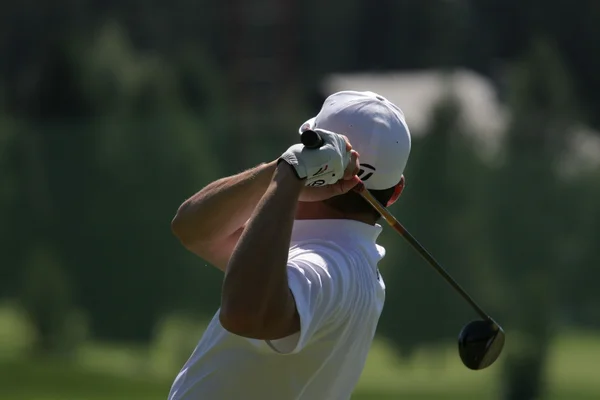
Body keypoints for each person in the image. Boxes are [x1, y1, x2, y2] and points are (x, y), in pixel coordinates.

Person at [168, 90, 411, 400]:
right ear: (395, 192)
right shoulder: (334, 255)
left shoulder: (330, 264)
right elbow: (192, 228)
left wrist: (291, 175)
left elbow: (244, 313)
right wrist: (283, 172)